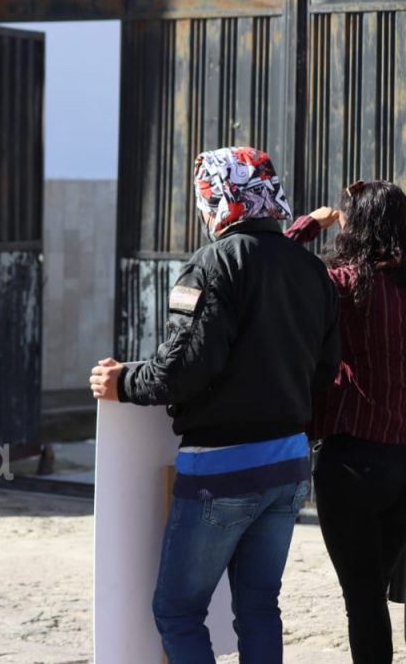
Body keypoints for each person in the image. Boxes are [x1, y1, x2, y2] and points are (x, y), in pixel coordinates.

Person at [89, 146, 340, 662]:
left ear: (216, 198)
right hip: (290, 463)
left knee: (178, 611)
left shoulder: (212, 264)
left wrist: (122, 382)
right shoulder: (311, 270)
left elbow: (182, 369)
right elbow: (325, 372)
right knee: (259, 607)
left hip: (222, 469)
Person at [285, 180, 406, 663]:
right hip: (403, 461)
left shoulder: (342, 284)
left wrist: (310, 224)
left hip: (352, 460)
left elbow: (274, 265)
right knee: (372, 588)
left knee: (362, 596)